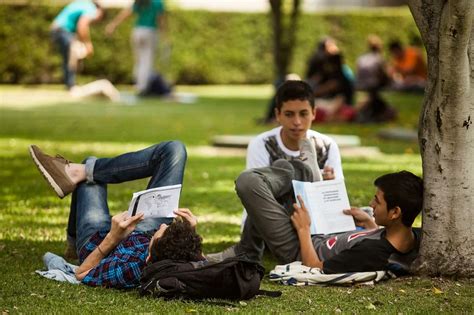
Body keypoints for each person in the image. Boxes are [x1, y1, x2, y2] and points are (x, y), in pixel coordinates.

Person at [29, 142, 204, 289]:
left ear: (150, 256)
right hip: (141, 231)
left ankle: (73, 243)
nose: (164, 225)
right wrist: (191, 234)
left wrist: (113, 237)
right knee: (174, 149)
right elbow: (199, 262)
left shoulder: (130, 269)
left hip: (98, 242)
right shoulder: (173, 254)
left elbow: (81, 274)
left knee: (89, 168)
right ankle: (81, 170)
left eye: (161, 232)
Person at [209, 158, 423, 274]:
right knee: (297, 168)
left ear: (395, 212)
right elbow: (382, 241)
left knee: (249, 182)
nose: (371, 203)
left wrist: (303, 228)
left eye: (377, 200)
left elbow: (313, 266)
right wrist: (369, 223)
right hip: (325, 229)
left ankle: (249, 250)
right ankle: (299, 176)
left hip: (299, 247)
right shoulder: (409, 235)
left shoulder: (373, 252)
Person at [242, 80, 344, 226]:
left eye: (303, 114)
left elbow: (336, 202)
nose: (297, 122)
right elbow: (258, 197)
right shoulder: (262, 144)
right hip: (271, 223)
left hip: (315, 220)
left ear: (314, 113)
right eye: (289, 114)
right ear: (278, 114)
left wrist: (329, 184)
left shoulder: (326, 146)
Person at [105, 0, 167, 95]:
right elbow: (160, 18)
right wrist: (164, 34)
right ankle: (143, 88)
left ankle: (139, 84)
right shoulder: (157, 2)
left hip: (137, 31)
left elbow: (126, 13)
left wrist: (113, 25)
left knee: (139, 61)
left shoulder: (140, 2)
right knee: (147, 61)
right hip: (150, 31)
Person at [50, 0, 105, 89]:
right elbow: (82, 25)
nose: (96, 20)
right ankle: (71, 85)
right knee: (72, 56)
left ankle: (70, 84)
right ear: (99, 11)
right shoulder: (91, 8)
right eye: (100, 17)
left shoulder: (82, 3)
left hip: (57, 30)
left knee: (68, 57)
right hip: (63, 30)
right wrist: (88, 44)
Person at [355, 35, 396, 123]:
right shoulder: (379, 59)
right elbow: (383, 75)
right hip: (374, 85)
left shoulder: (361, 58)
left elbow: (358, 73)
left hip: (360, 85)